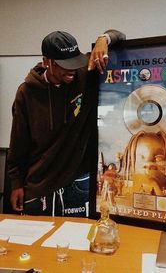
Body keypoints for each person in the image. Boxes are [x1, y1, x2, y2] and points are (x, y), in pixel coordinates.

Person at [7, 29, 126, 217]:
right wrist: (16, 184)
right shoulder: (26, 93)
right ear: (47, 62)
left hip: (78, 184)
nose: (71, 69)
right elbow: (18, 143)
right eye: (64, 65)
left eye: (74, 62)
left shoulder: (85, 75)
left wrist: (103, 39)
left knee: (78, 243)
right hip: (39, 187)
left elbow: (119, 35)